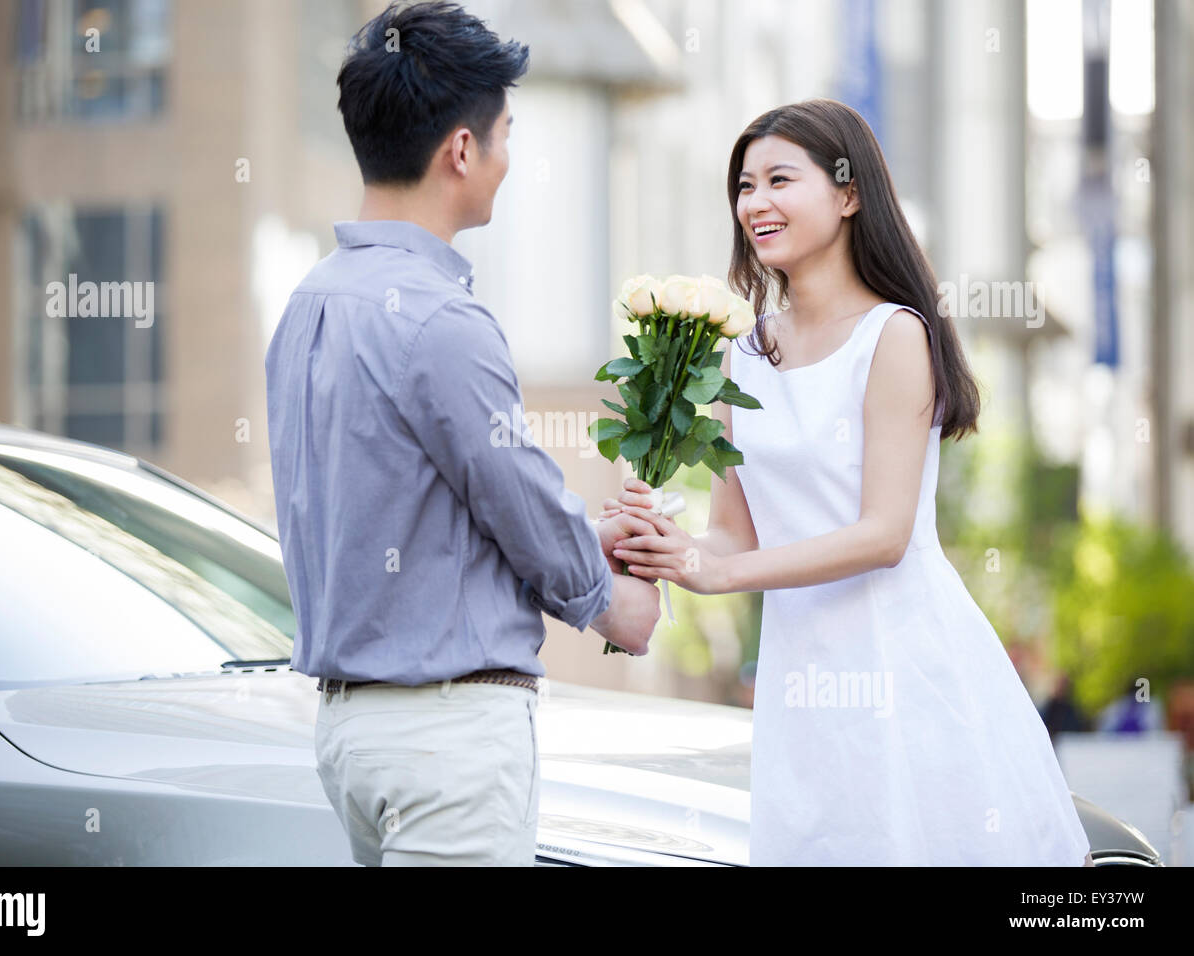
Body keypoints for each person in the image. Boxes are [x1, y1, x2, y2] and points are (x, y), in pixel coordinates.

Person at [607, 99, 1094, 866]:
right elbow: (735, 531)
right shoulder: (742, 354)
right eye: (744, 186)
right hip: (800, 679)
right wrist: (667, 542)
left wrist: (720, 572)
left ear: (848, 193)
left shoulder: (894, 335)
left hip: (905, 664)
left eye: (778, 179)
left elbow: (884, 534)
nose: (755, 203)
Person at [264, 0, 661, 867]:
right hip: (446, 742)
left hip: (349, 736)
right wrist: (610, 598)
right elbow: (515, 493)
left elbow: (395, 518)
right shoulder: (440, 318)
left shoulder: (306, 307)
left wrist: (585, 539)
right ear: (461, 150)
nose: (510, 160)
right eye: (506, 135)